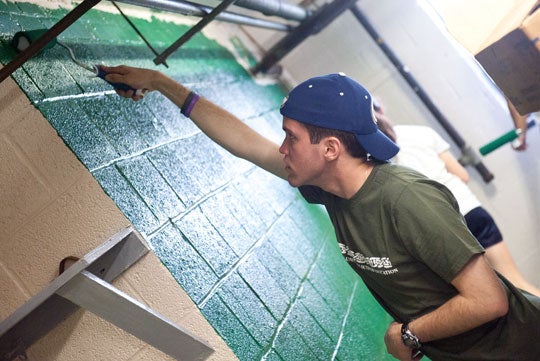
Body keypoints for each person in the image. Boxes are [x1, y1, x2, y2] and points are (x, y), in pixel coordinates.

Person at [103, 65, 540, 361]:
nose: (281, 148)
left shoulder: (406, 199)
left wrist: (409, 333)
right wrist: (163, 84)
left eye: (291, 137)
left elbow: (490, 300)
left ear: (331, 149)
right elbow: (246, 145)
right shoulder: (330, 186)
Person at [374, 104, 540, 297]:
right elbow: (462, 175)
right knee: (515, 282)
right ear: (382, 110)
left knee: (486, 296)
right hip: (471, 210)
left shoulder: (377, 158)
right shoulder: (421, 132)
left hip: (444, 226)